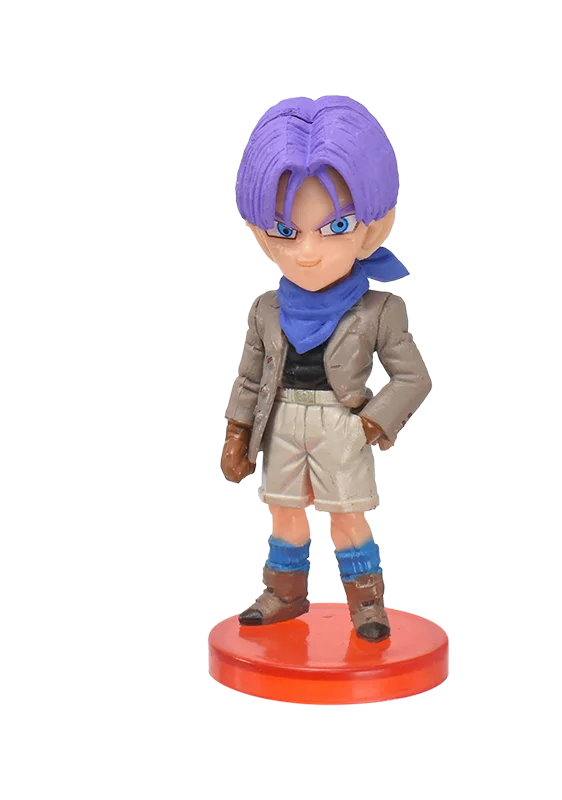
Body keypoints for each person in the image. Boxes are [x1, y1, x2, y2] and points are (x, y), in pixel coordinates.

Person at [220, 95, 431, 642]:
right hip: (281, 422)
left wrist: (369, 423)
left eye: (335, 225)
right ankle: (285, 594)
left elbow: (412, 377)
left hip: (341, 422)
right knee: (286, 516)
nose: (308, 252)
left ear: (374, 227)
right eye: (286, 231)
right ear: (261, 232)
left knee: (347, 518)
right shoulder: (267, 309)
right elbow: (250, 379)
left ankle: (367, 605)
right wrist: (237, 433)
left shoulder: (378, 309)